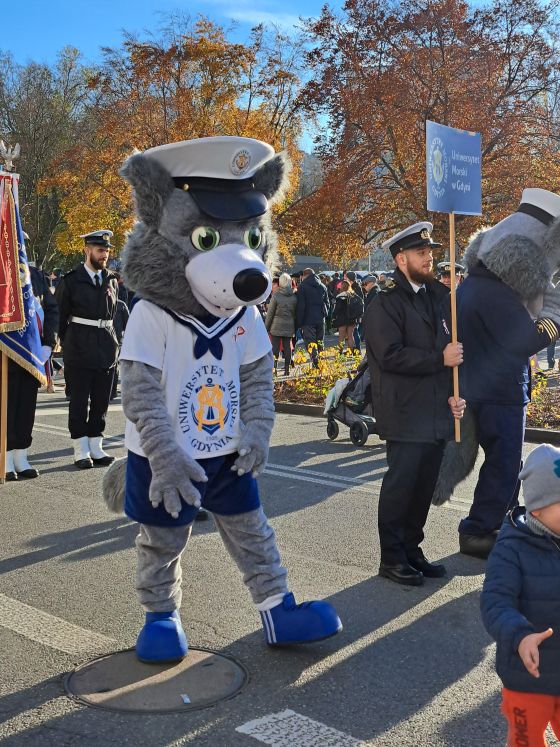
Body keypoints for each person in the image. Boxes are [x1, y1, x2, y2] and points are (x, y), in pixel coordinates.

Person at [363, 221, 465, 585]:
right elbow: (390, 355)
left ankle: (411, 549)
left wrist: (454, 395)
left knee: (423, 486)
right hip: (405, 412)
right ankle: (391, 557)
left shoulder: (436, 297)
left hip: (434, 411)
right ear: (400, 258)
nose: (430, 257)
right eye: (422, 253)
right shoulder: (384, 302)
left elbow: (450, 354)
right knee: (402, 485)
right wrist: (441, 359)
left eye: (431, 252)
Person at [481, 443, 560, 747]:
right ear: (538, 508)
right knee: (526, 742)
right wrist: (519, 635)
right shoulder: (511, 548)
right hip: (528, 677)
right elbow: (495, 601)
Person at [55, 230, 119, 469]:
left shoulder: (111, 279)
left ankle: (96, 446)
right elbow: (60, 317)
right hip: (79, 349)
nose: (104, 255)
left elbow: (115, 315)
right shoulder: (71, 281)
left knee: (102, 401)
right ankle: (80, 449)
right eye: (100, 250)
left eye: (107, 251)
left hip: (106, 348)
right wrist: (65, 343)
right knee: (79, 401)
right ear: (87, 250)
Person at [6, 264, 59, 480]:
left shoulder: (35, 274)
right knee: (6, 406)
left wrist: (48, 343)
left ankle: (21, 455)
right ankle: (5, 456)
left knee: (26, 405)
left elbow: (51, 309)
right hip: (5, 352)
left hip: (31, 352)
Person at [295, 268, 329, 367]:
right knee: (320, 341)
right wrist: (324, 314)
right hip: (320, 319)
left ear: (304, 275)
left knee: (311, 343)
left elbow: (301, 306)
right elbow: (327, 303)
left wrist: (299, 322)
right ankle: (322, 364)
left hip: (307, 320)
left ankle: (315, 364)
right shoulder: (322, 286)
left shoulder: (302, 287)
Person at [265, 272, 297, 375]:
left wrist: (267, 327)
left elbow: (270, 314)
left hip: (276, 325)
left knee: (275, 348)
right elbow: (295, 313)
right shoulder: (294, 296)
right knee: (287, 347)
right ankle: (287, 369)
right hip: (289, 325)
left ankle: (274, 370)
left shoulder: (276, 296)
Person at [332, 280, 363, 352]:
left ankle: (340, 352)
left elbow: (337, 309)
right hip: (351, 318)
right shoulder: (353, 295)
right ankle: (352, 352)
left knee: (341, 337)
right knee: (350, 336)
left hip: (341, 319)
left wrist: (333, 317)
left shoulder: (339, 296)